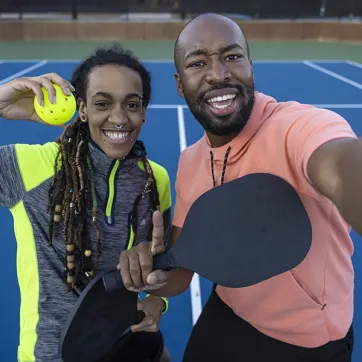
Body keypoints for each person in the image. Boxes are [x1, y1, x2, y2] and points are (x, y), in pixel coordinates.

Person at [118, 13, 360, 362]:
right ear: (180, 84)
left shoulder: (299, 128)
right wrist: (152, 275)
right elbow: (181, 273)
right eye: (198, 62)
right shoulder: (191, 161)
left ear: (251, 66)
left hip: (308, 342)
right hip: (230, 308)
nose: (218, 74)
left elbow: (340, 163)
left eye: (232, 56)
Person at [0, 45, 171, 362]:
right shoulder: (28, 168)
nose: (119, 118)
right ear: (82, 108)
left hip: (125, 347)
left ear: (144, 111)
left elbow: (163, 265)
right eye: (102, 103)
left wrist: (157, 300)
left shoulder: (154, 180)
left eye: (131, 104)